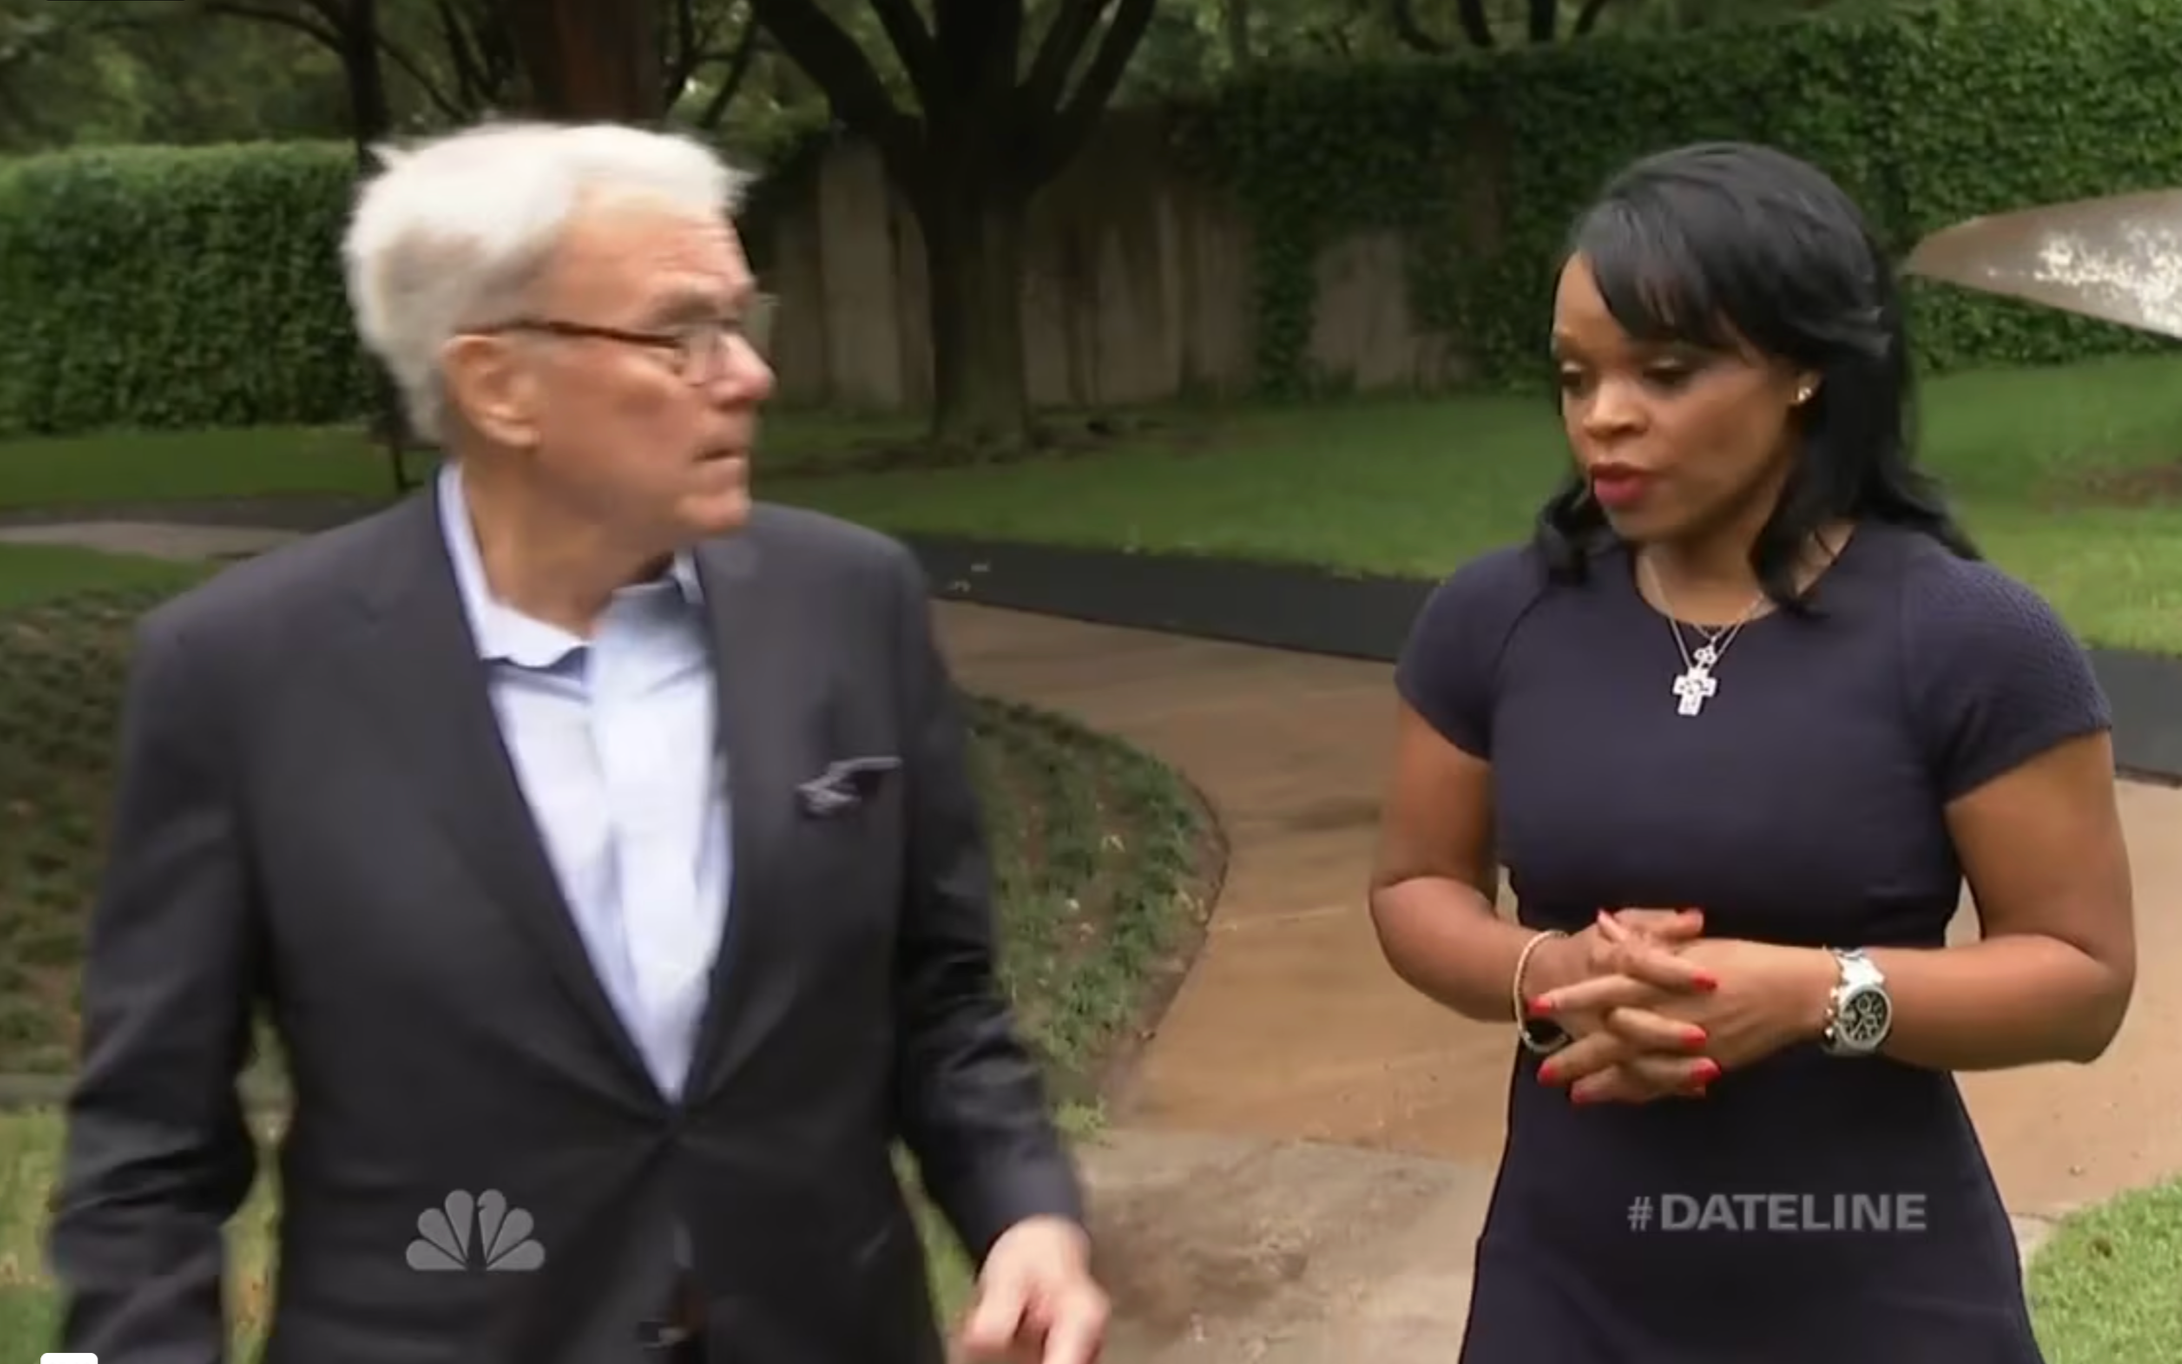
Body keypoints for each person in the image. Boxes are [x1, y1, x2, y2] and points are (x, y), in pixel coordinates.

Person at [46, 120, 1109, 1364]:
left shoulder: (849, 604)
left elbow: (943, 998)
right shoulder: (239, 672)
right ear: (499, 384)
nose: (750, 373)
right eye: (681, 332)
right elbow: (144, 1147)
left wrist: (1025, 1209)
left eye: (739, 318)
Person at [1367, 141, 2136, 1362]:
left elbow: (2082, 977)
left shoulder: (1969, 639)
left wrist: (1811, 995)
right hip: (1567, 1283)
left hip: (1879, 1278)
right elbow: (1414, 886)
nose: (1603, 416)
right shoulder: (1492, 619)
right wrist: (1543, 969)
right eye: (1576, 376)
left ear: (1804, 372)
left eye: (1664, 372)